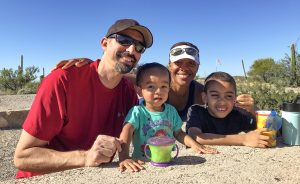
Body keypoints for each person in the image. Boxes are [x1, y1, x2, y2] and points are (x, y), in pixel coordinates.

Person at [13, 18, 153, 178]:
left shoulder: (127, 92)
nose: (132, 49)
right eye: (124, 40)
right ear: (105, 43)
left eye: (140, 47)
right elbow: (23, 157)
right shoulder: (63, 81)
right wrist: (86, 157)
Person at [53, 42, 256, 122]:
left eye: (190, 64)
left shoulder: (201, 93)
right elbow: (113, 73)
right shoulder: (149, 81)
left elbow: (224, 105)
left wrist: (250, 110)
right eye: (178, 63)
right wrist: (91, 65)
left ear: (198, 66)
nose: (184, 68)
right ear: (169, 65)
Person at [118, 62, 217, 172]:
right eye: (151, 86)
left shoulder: (171, 111)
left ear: (169, 89)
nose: (158, 91)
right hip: (142, 162)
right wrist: (124, 157)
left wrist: (195, 145)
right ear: (139, 90)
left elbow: (179, 133)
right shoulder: (137, 112)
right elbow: (126, 132)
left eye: (164, 86)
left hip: (166, 160)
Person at [186, 72, 271, 148]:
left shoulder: (239, 114)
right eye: (215, 95)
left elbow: (268, 129)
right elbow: (195, 136)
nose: (222, 102)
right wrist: (243, 139)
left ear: (235, 98)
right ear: (205, 97)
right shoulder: (197, 111)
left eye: (229, 96)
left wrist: (254, 110)